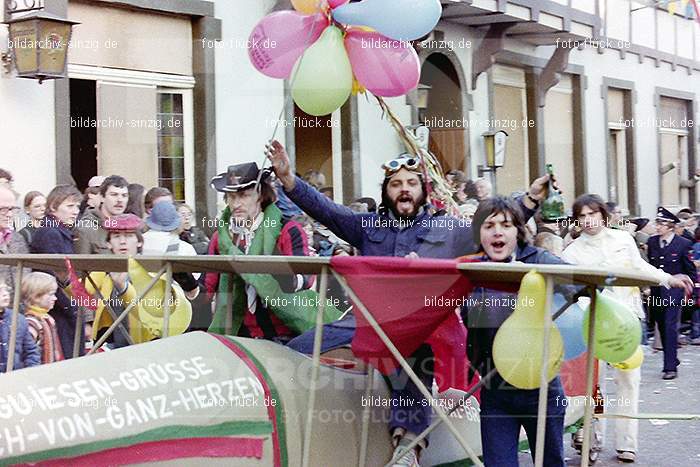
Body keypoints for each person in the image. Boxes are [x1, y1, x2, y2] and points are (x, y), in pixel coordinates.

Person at [267, 139, 551, 466]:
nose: (405, 190)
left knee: (415, 358)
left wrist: (529, 200)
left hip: (422, 330)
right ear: (386, 190)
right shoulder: (368, 225)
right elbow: (326, 210)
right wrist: (288, 178)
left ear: (423, 190)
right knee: (294, 351)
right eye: (397, 184)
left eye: (412, 183)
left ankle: (409, 448)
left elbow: (494, 223)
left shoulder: (449, 228)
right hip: (362, 325)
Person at [561, 196, 691, 462]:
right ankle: (590, 437)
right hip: (590, 325)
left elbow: (640, 267)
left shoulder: (622, 240)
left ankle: (627, 444)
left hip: (626, 322)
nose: (588, 220)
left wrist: (667, 279)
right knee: (592, 385)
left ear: (603, 215)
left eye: (593, 213)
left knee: (629, 382)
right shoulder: (571, 253)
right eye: (582, 215)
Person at [461, 196, 570, 467]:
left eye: (506, 225)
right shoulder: (469, 267)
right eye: (489, 225)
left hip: (541, 388)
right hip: (494, 388)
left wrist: (663, 279)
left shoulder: (538, 259)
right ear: (479, 233)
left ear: (518, 232)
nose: (498, 231)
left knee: (551, 463)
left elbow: (585, 282)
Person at [205, 162, 320, 344]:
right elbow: (206, 286)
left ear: (260, 195)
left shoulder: (287, 230)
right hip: (239, 336)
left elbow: (304, 278)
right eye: (231, 197)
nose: (236, 204)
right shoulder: (222, 237)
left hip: (288, 334)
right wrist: (185, 285)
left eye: (243, 195)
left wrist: (275, 265)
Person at [31, 185, 84, 358]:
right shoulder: (50, 233)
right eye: (69, 206)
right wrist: (72, 308)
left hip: (61, 306)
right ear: (53, 206)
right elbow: (52, 275)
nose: (75, 211)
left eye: (77, 206)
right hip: (56, 308)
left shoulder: (60, 231)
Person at [647, 207, 696, 380]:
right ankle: (672, 358)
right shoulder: (652, 242)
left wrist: (688, 286)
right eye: (657, 223)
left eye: (661, 223)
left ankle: (669, 368)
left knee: (669, 326)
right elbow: (651, 267)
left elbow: (690, 271)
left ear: (670, 226)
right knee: (661, 325)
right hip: (656, 290)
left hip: (674, 292)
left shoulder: (683, 244)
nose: (657, 226)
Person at [75, 175, 129, 254]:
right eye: (114, 195)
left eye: (124, 195)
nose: (120, 200)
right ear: (102, 197)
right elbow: (81, 264)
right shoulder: (86, 229)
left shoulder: (130, 226)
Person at [22, 272, 64, 364]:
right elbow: (27, 351)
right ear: (36, 297)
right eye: (51, 294)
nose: (55, 298)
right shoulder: (32, 322)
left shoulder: (48, 318)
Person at [0, 281, 40, 372]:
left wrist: (29, 373)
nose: (5, 294)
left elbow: (31, 351)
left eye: (6, 290)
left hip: (15, 378)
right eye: (0, 291)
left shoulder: (18, 319)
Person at [0, 186, 29, 295]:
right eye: (3, 209)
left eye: (12, 209)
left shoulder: (17, 239)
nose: (9, 214)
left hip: (19, 309)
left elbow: (25, 278)